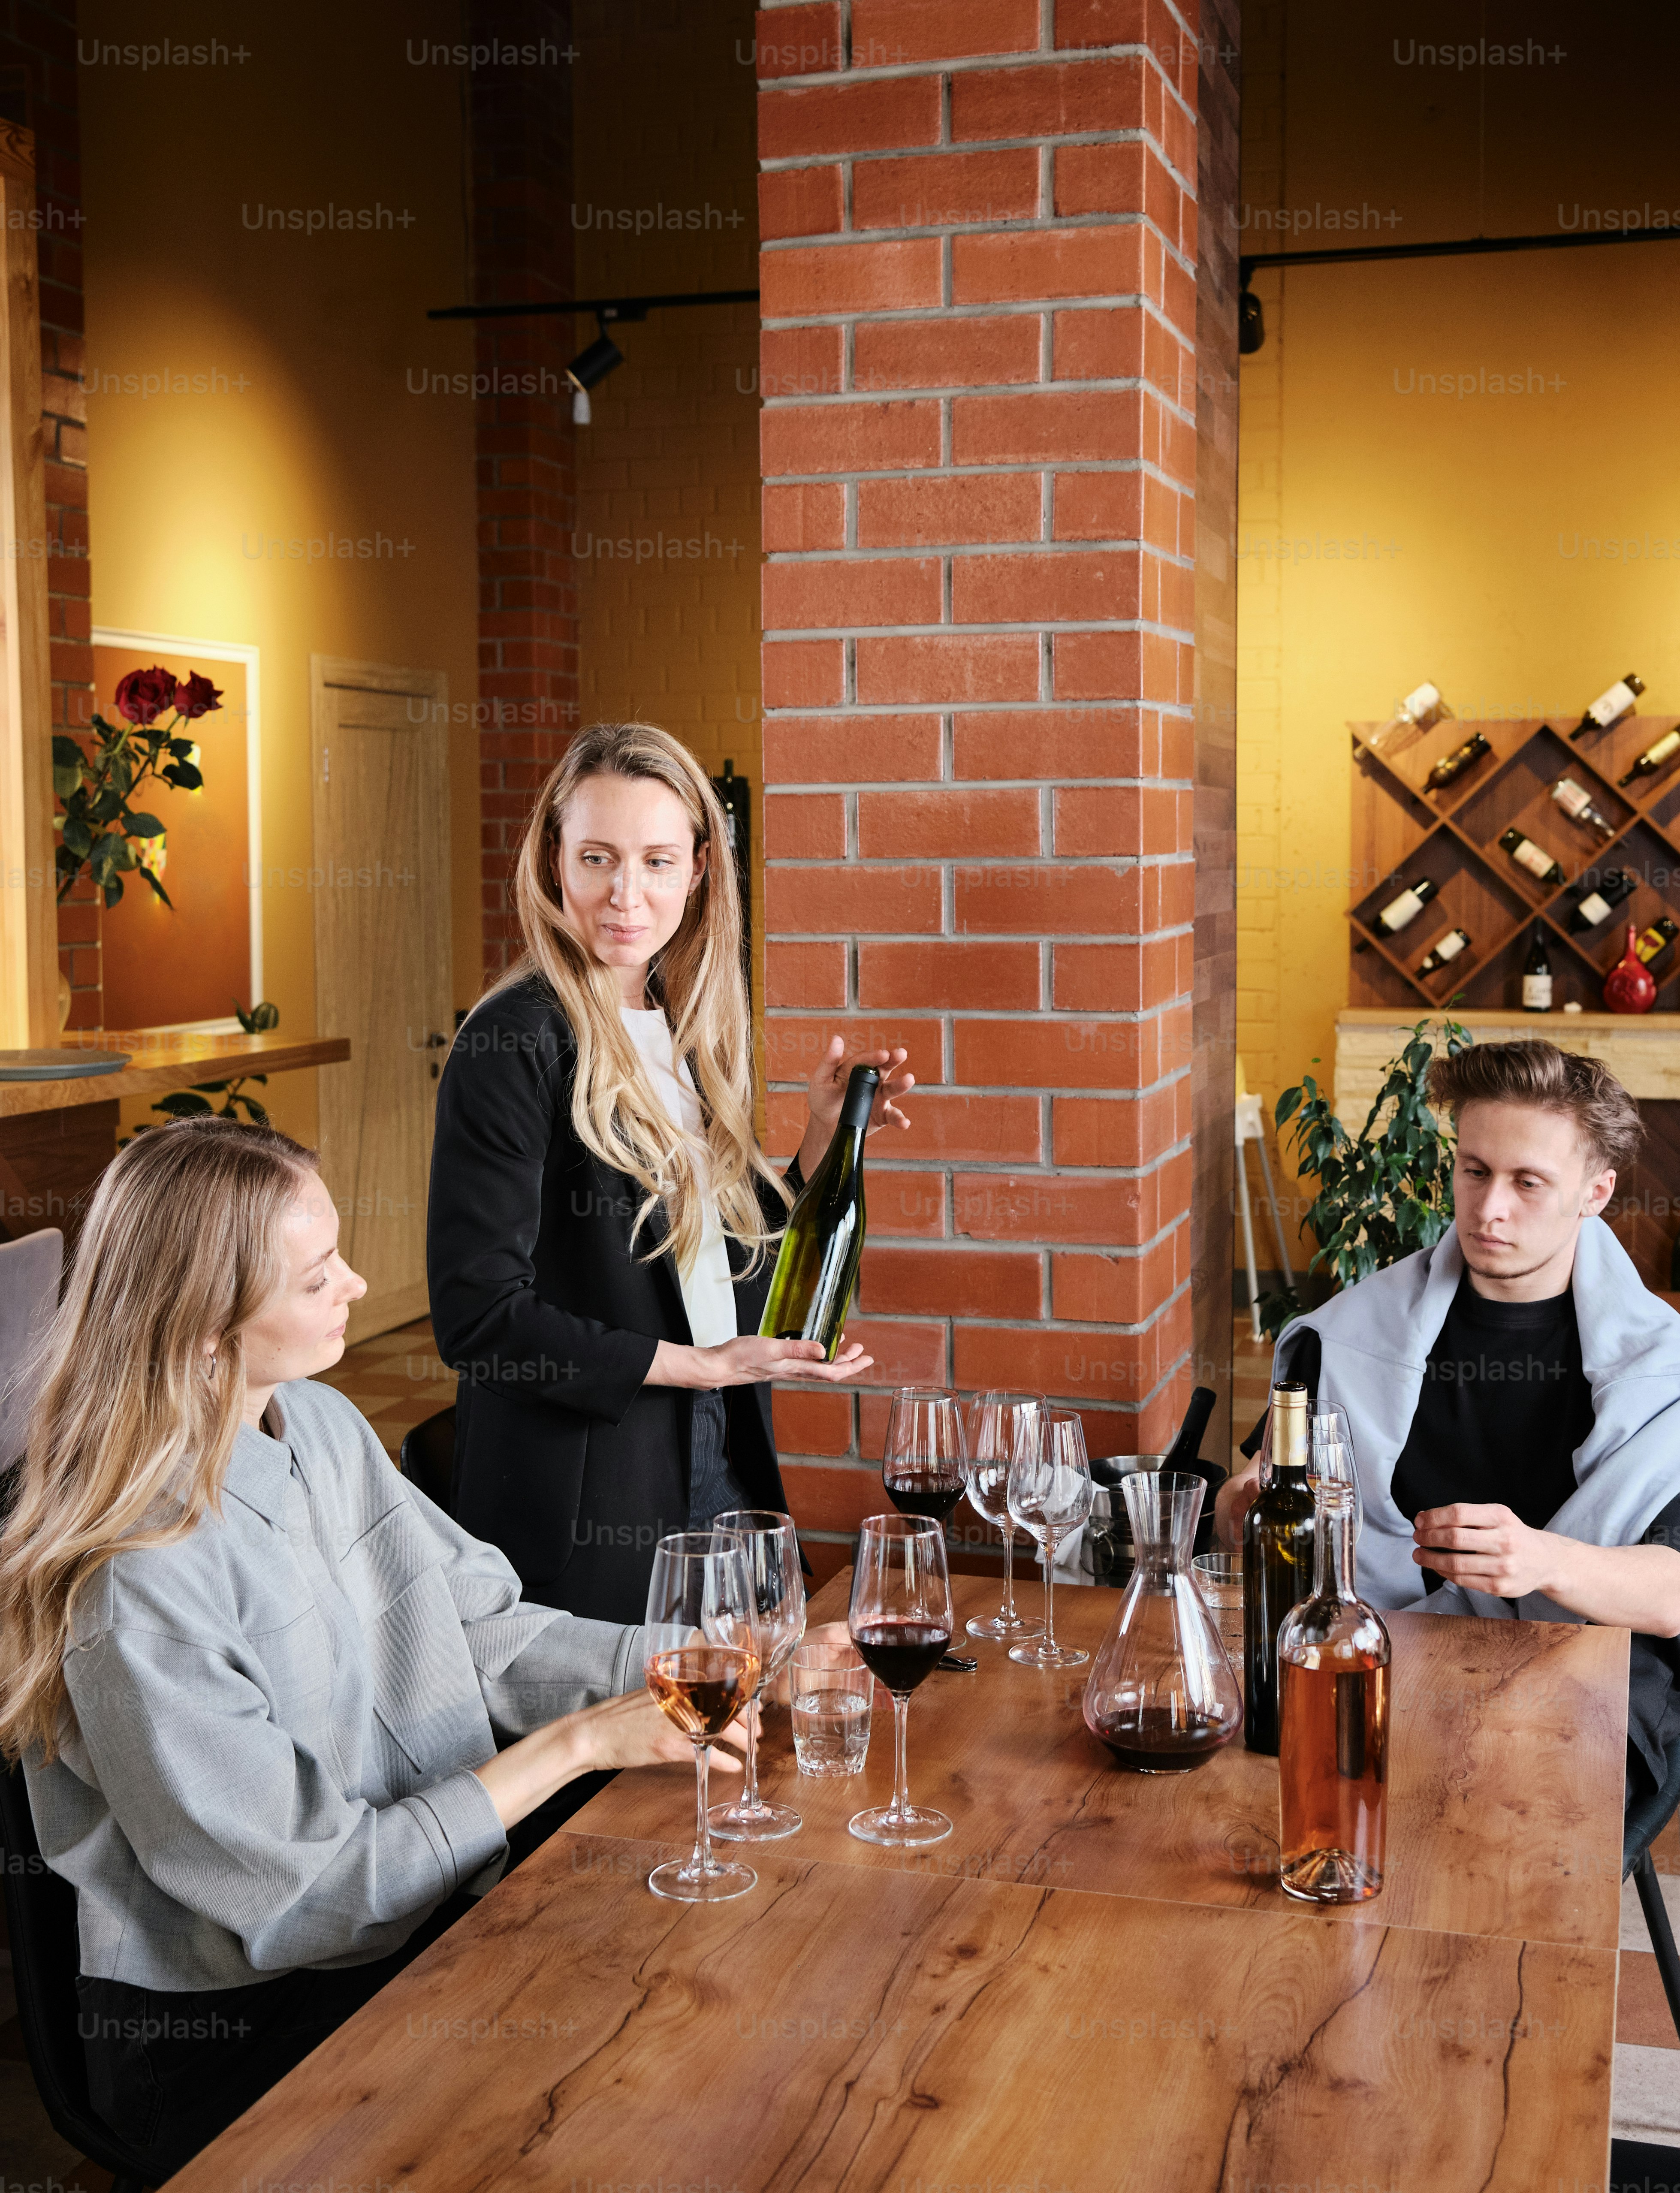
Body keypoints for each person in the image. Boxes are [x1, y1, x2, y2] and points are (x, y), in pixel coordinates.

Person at [0, 1118, 751, 2182]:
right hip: (243, 2029)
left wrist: (719, 1654)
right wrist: (579, 1747)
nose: (357, 1285)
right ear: (204, 1328)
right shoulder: (135, 1582)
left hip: (420, 1924)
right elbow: (310, 1897)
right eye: (316, 1280)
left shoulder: (317, 1424)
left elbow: (484, 1631)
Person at [428, 721, 912, 1624]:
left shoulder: (673, 1022)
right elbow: (478, 1318)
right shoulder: (515, 1042)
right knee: (645, 1763)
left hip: (717, 1466)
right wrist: (697, 1366)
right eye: (599, 857)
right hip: (594, 1509)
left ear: (697, 871)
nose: (625, 895)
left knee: (744, 1750)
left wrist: (818, 1140)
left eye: (655, 862)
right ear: (553, 861)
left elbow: (710, 1264)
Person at [1217, 1038, 1680, 1801]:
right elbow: (1259, 1499)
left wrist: (1540, 1560)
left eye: (1528, 1182)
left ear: (1595, 1192)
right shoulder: (1345, 1334)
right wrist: (1241, 1511)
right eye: (1474, 1171)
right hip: (1369, 1653)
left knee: (1480, 1813)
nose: (1489, 1209)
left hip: (1577, 1673)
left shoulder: (1662, 1376)